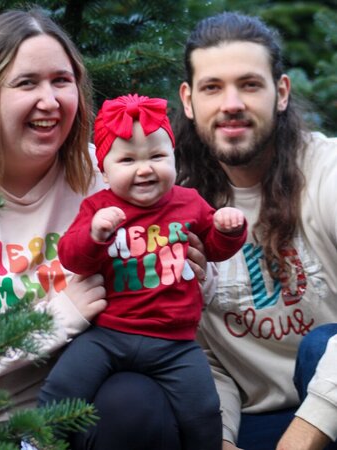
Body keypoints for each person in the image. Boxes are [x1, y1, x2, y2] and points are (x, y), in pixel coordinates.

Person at [0, 6, 205, 450]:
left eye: (61, 80)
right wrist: (58, 318)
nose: (50, 100)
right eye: (26, 83)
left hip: (87, 405)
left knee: (137, 403)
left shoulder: (104, 176)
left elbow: (171, 243)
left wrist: (182, 263)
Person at [38, 93, 247, 450]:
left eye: (157, 156)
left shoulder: (188, 202)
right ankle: (37, 441)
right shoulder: (98, 207)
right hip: (109, 335)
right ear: (104, 170)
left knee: (204, 410)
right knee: (62, 387)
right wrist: (94, 235)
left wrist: (228, 231)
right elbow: (72, 258)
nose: (145, 168)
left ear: (174, 157)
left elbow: (212, 248)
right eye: (128, 160)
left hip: (175, 342)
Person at [173, 11, 337, 450]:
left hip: (329, 409)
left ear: (280, 92)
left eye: (249, 84)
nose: (231, 104)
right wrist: (221, 441)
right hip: (253, 420)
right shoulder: (172, 204)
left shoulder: (328, 172)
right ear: (188, 101)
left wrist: (302, 438)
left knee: (321, 345)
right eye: (213, 87)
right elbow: (202, 357)